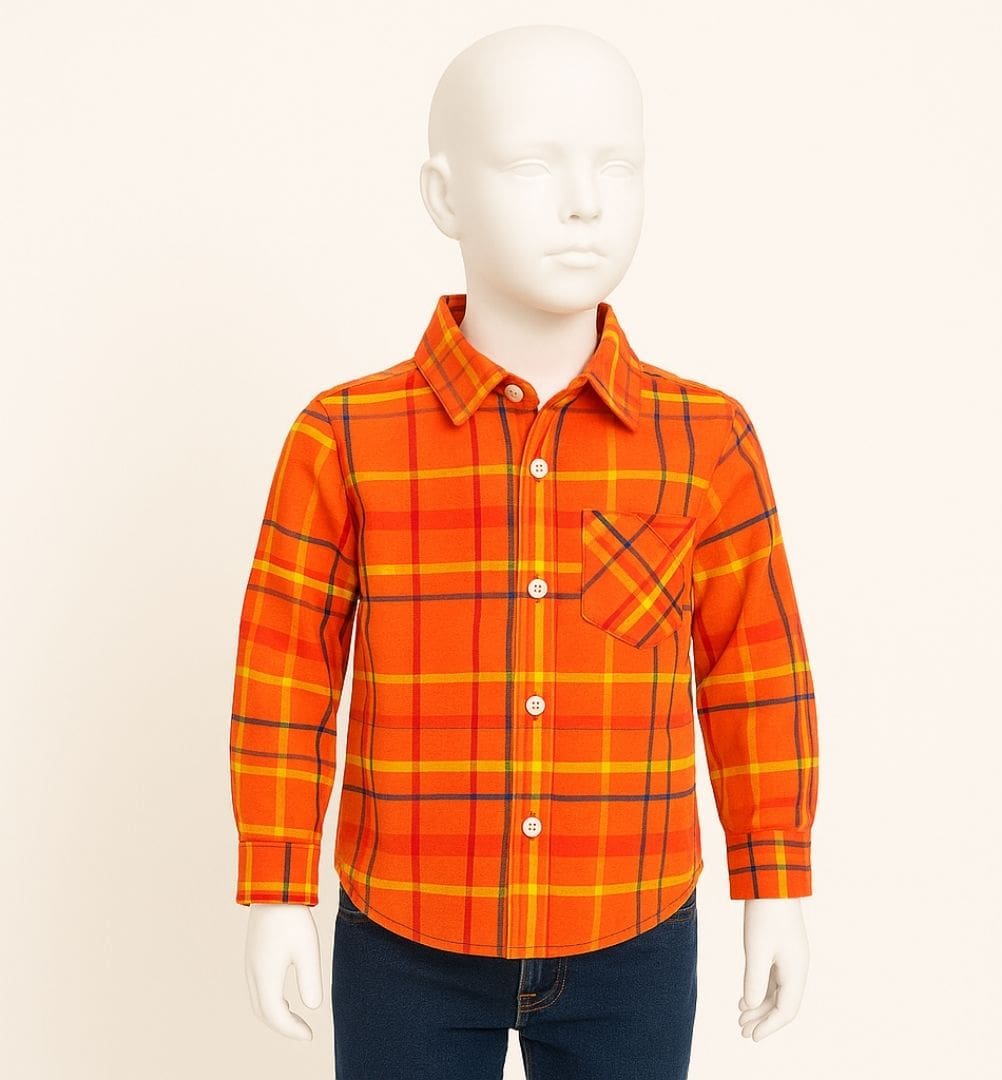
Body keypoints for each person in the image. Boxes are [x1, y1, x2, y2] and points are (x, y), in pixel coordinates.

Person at [229, 23, 819, 1080]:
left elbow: (754, 673)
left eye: (617, 167)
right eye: (534, 166)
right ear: (445, 196)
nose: (585, 202)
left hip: (632, 927)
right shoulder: (344, 437)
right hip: (406, 932)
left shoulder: (707, 439)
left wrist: (774, 883)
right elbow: (286, 672)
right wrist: (276, 889)